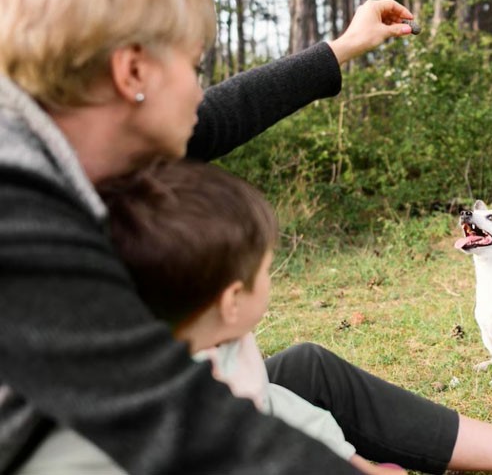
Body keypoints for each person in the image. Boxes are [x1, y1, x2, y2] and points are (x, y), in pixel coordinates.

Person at [0, 0, 492, 474]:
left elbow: (214, 119)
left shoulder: (64, 135)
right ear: (133, 72)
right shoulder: (18, 212)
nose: (201, 90)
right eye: (196, 65)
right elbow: (172, 420)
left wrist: (342, 48)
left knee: (304, 371)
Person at [17, 159, 400, 475]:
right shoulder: (140, 413)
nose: (271, 279)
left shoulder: (227, 349)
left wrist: (357, 465)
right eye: (266, 269)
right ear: (232, 299)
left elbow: (281, 410)